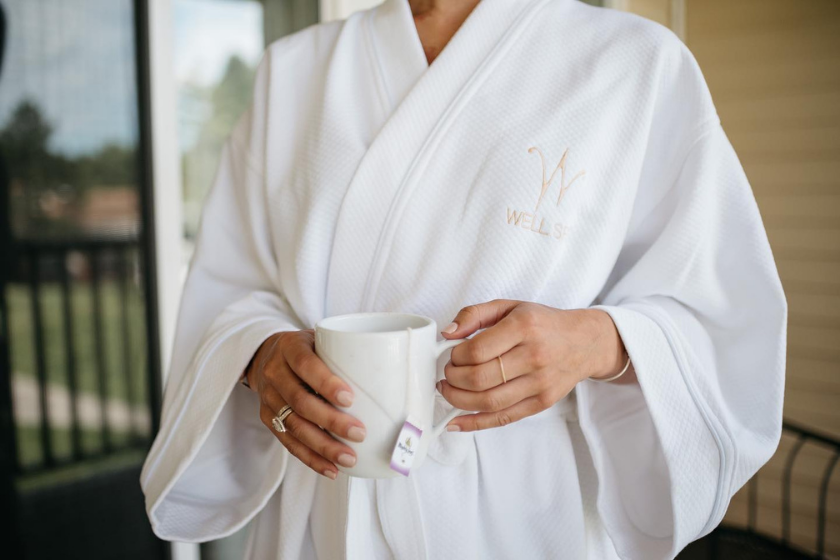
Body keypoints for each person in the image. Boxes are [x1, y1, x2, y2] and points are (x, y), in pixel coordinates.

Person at [140, 0, 787, 558]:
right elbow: (230, 287)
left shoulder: (635, 64)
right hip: (327, 510)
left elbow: (726, 316)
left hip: (525, 520)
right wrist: (261, 356)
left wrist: (596, 342)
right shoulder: (290, 74)